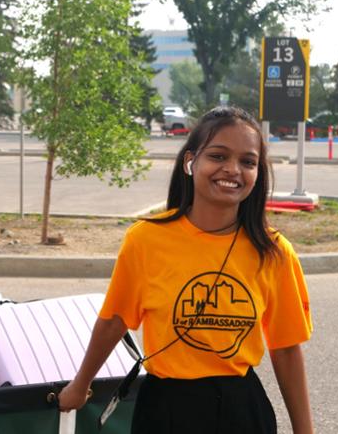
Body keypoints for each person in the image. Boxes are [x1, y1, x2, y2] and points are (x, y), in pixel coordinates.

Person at [58, 106, 314, 434]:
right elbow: (115, 320)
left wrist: (305, 430)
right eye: (218, 156)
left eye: (248, 162)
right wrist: (81, 385)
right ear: (190, 161)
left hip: (241, 410)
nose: (233, 169)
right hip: (165, 408)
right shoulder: (146, 240)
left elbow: (286, 348)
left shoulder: (274, 251)